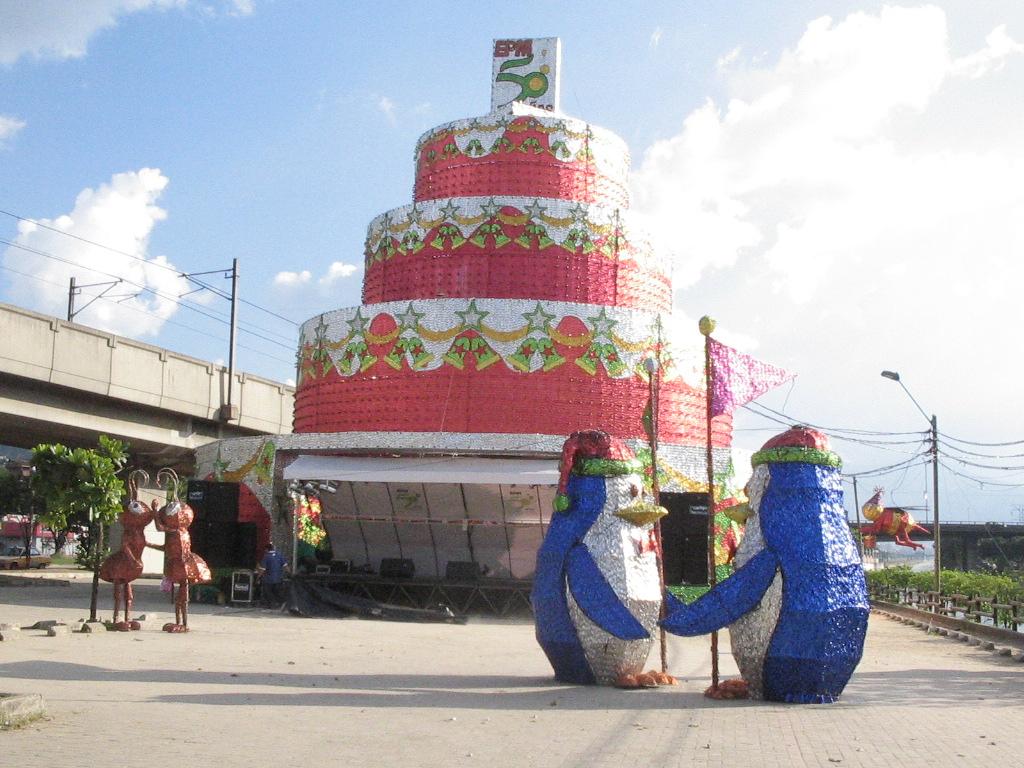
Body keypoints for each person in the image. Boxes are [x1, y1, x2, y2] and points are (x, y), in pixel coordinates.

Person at [257, 542, 288, 608]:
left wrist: (258, 577)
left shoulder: (266, 557)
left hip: (268, 580)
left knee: (268, 592)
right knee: (277, 592)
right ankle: (280, 604)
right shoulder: (280, 555)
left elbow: (262, 570)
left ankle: (272, 604)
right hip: (278, 579)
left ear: (266, 549)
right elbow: (286, 566)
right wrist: (290, 574)